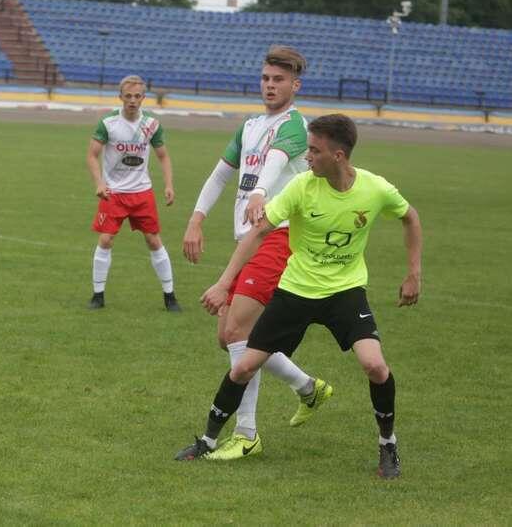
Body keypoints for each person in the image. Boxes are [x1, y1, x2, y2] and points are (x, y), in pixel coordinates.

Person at [176, 114, 422, 480]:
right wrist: (224, 283)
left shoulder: (374, 188)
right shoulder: (301, 187)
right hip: (296, 290)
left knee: (375, 366)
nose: (307, 157)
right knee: (242, 366)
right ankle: (207, 442)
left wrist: (414, 273)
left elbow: (410, 217)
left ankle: (388, 445)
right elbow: (259, 232)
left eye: (314, 150)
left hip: (345, 292)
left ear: (338, 156)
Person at [180, 45, 332, 461]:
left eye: (278, 80)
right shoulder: (249, 126)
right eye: (265, 78)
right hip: (248, 239)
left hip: (278, 238)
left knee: (237, 335)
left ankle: (246, 434)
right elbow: (220, 175)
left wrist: (261, 192)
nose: (270, 85)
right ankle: (308, 387)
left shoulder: (295, 126)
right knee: (229, 338)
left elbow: (274, 163)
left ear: (295, 85)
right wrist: (196, 218)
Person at [86, 75, 181, 311]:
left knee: (153, 240)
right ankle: (98, 295)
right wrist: (99, 183)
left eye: (137, 96)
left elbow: (163, 156)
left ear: (143, 98)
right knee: (106, 239)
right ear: (120, 97)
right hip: (114, 193)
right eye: (128, 96)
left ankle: (170, 297)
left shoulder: (151, 124)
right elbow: (92, 155)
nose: (132, 100)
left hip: (141, 192)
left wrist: (169, 185)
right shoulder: (108, 123)